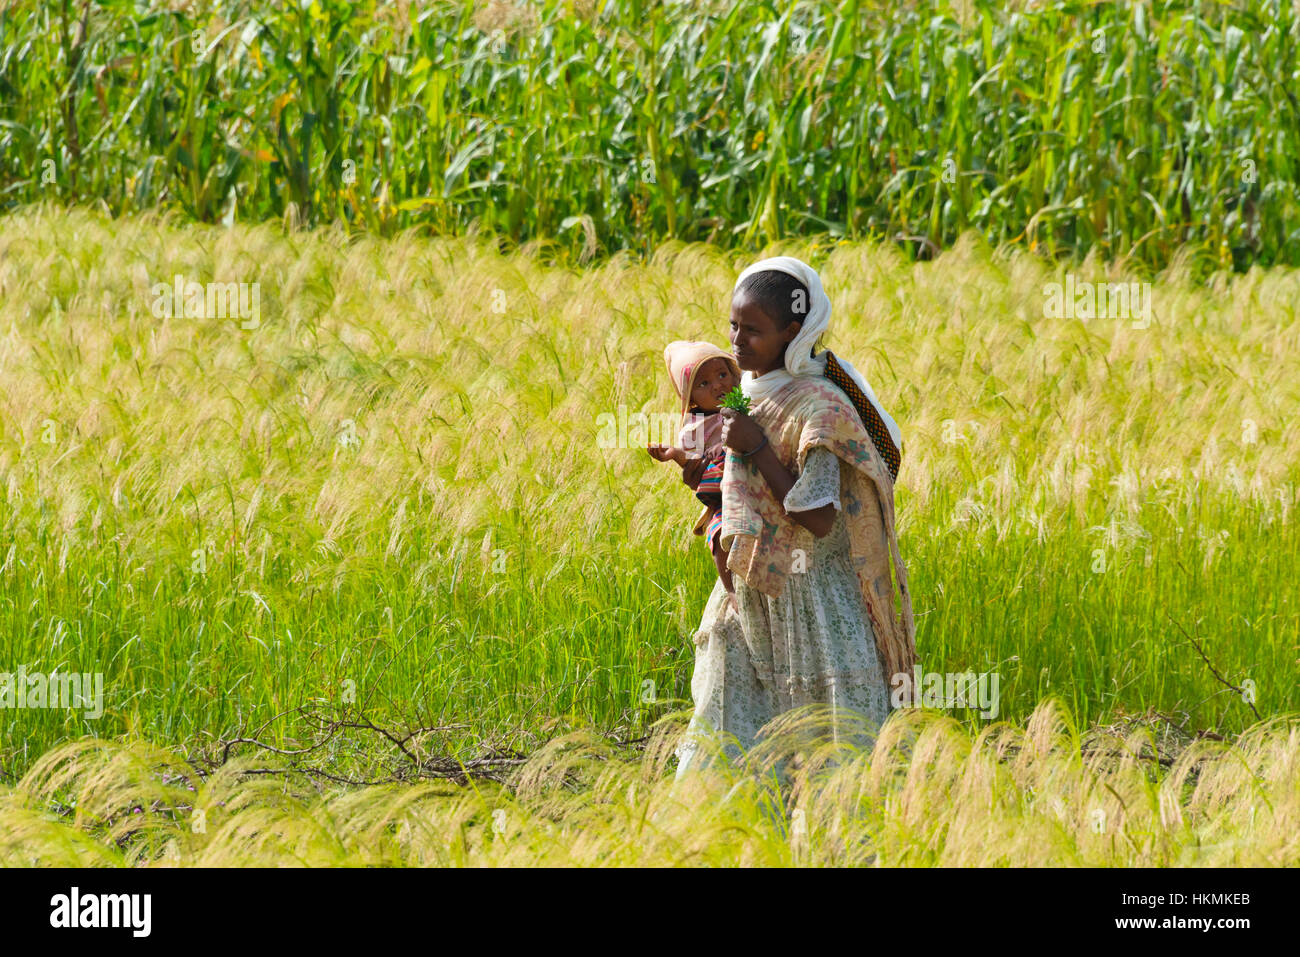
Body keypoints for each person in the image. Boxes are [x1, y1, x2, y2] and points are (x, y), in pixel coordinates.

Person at [673, 256, 917, 782]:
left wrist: (758, 447)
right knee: (727, 730)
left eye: (753, 331)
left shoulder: (818, 406)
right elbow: (737, 489)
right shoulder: (739, 397)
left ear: (792, 331)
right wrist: (702, 480)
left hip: (813, 605)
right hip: (747, 594)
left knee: (825, 754)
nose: (736, 342)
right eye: (733, 326)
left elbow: (821, 517)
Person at [647, 341, 742, 611]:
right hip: (723, 495)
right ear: (691, 399)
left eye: (722, 375)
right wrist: (675, 454)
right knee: (718, 534)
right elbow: (695, 469)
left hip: (754, 484)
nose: (717, 386)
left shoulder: (745, 401)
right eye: (703, 384)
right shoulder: (694, 429)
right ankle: (732, 590)